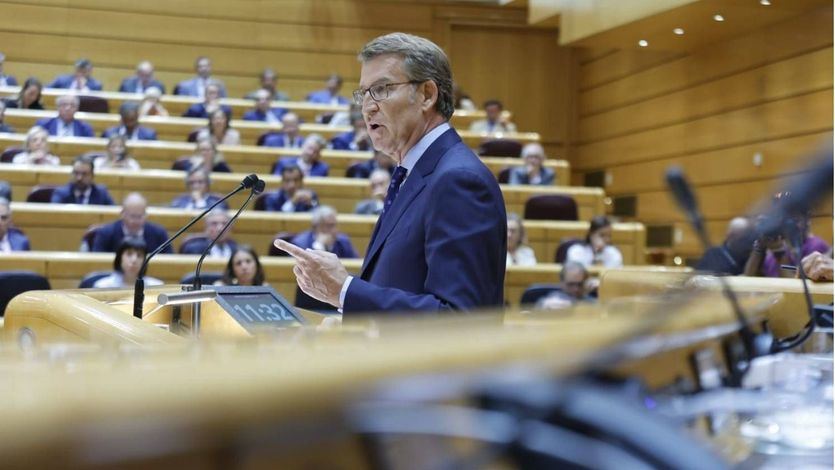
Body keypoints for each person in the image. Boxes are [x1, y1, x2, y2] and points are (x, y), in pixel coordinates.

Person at [275, 32, 507, 314]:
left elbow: (460, 317)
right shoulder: (413, 175)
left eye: (382, 89)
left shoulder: (458, 180)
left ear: (427, 95)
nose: (367, 106)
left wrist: (345, 292)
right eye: (363, 93)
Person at [744, 191, 831, 277]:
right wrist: (759, 246)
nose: (789, 224)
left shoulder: (816, 247)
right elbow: (749, 278)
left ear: (807, 220)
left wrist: (779, 252)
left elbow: (797, 288)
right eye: (785, 219)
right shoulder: (780, 245)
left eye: (795, 219)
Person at [91, 192, 172, 254]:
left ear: (146, 215)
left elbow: (169, 263)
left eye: (139, 217)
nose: (135, 221)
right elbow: (97, 263)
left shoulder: (159, 234)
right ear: (122, 214)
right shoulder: (105, 233)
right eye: (132, 216)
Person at [291, 206, 358, 258]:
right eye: (329, 226)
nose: (335, 230)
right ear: (316, 227)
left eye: (335, 225)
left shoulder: (343, 242)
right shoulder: (300, 243)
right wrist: (319, 247)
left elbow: (355, 269)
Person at [92, 238, 163, 288]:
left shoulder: (156, 287)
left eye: (139, 255)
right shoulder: (102, 287)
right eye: (129, 254)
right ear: (120, 258)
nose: (134, 260)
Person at [50, 155, 115, 205]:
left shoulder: (101, 193)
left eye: (84, 174)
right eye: (76, 173)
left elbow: (113, 215)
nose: (79, 178)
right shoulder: (61, 193)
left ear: (92, 175)